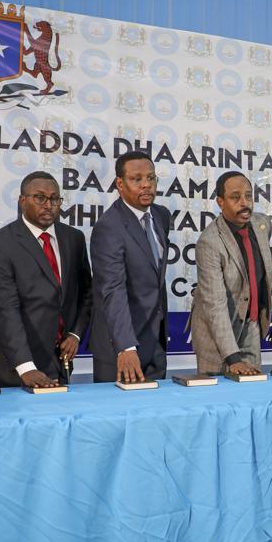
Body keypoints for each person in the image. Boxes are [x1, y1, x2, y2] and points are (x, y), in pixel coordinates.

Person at [0, 171, 92, 387]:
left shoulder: (74, 239)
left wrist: (76, 334)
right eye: (39, 198)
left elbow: (87, 293)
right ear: (22, 201)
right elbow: (5, 310)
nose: (48, 205)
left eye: (54, 198)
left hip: (59, 362)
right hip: (12, 367)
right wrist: (26, 366)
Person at [90, 151, 172, 382]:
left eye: (151, 178)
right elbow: (112, 290)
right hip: (121, 348)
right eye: (137, 179)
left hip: (156, 341)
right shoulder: (109, 227)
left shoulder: (161, 216)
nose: (146, 185)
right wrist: (125, 347)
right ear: (120, 183)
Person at [190, 171, 272, 376]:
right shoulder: (209, 242)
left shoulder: (262, 224)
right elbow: (214, 304)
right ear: (220, 202)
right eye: (235, 197)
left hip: (251, 325)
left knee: (253, 391)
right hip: (216, 334)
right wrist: (233, 358)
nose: (244, 203)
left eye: (248, 196)